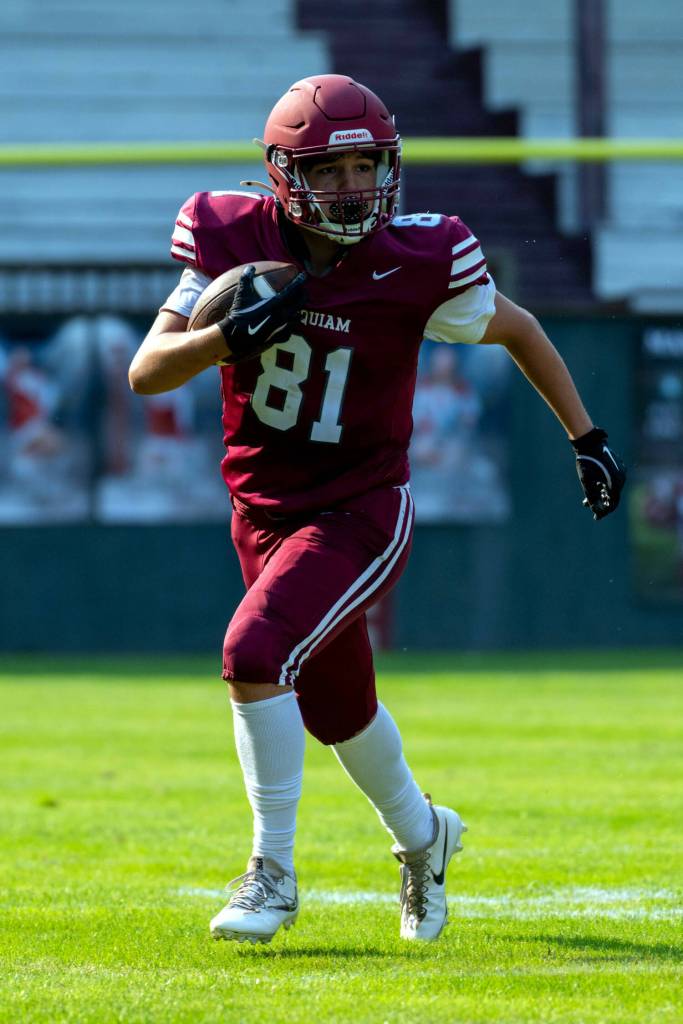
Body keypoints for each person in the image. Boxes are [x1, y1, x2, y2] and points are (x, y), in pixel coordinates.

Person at [128, 74, 626, 944]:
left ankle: (271, 874)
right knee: (335, 708)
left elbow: (518, 328)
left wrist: (585, 437)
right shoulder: (232, 238)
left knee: (252, 653)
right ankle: (425, 838)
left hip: (361, 505)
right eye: (332, 168)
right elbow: (148, 371)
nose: (355, 186)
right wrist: (223, 335)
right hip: (261, 507)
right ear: (286, 173)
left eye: (368, 164)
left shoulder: (419, 259)